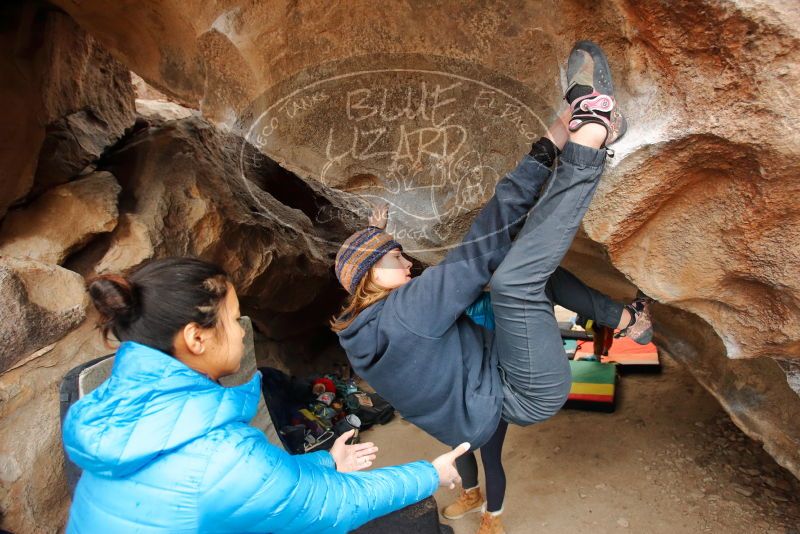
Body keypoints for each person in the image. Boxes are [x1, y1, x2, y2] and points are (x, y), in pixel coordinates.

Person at [330, 41, 652, 533]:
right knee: (515, 282)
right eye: (398, 260)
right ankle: (592, 140)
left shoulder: (361, 334)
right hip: (523, 393)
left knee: (524, 273)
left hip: (484, 385)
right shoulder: (409, 313)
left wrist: (381, 234)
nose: (410, 267)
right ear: (373, 275)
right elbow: (489, 230)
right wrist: (553, 145)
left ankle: (630, 321)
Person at [62, 257, 469, 534]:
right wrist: (430, 473)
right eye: (232, 318)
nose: (242, 330)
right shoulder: (220, 455)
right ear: (196, 338)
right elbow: (336, 504)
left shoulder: (110, 414)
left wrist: (326, 461)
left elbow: (259, 488)